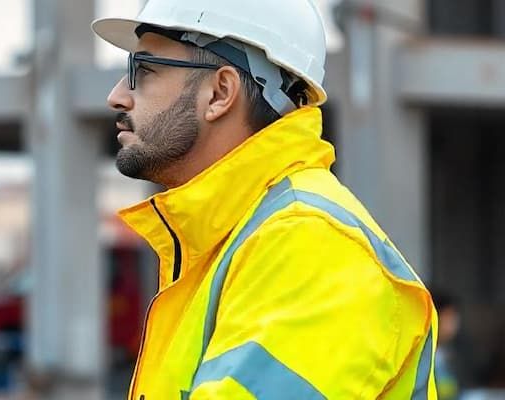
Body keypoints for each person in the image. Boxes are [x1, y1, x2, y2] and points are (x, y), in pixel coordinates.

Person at [91, 0, 438, 398]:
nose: (117, 97)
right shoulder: (235, 240)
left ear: (220, 93)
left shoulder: (311, 246)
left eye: (144, 71)